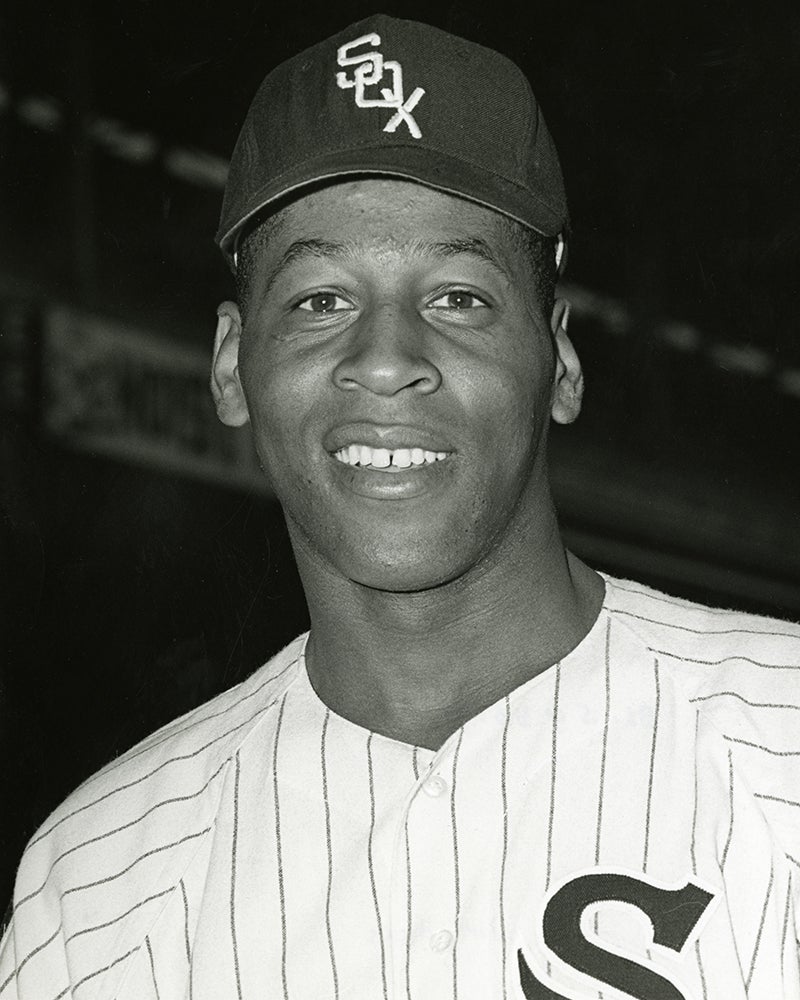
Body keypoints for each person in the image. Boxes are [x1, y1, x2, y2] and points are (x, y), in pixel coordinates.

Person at [1, 13, 799, 1000]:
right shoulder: (97, 883)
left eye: (458, 297)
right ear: (230, 365)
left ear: (560, 359)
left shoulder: (781, 750)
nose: (384, 360)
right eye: (319, 300)